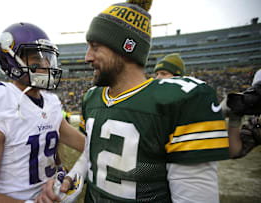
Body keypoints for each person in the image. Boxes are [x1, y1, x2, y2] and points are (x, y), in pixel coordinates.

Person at [38, 0, 231, 202]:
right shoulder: (93, 98)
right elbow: (90, 156)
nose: (87, 57)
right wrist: (69, 183)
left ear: (125, 47)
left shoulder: (182, 100)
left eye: (95, 47)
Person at [0, 22, 85, 203]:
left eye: (47, 59)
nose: (45, 66)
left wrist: (63, 173)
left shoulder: (51, 102)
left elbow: (77, 145)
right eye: (36, 61)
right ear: (11, 61)